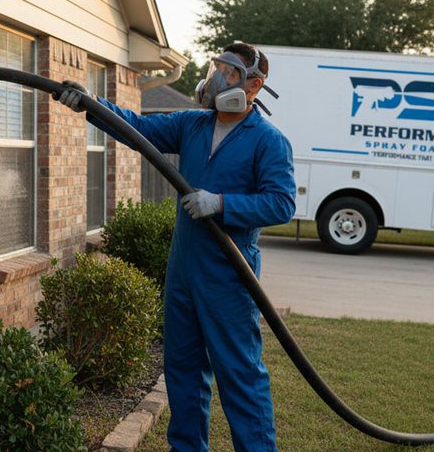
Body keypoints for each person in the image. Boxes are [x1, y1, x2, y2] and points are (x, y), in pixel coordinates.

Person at [55, 42, 296, 452]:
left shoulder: (268, 141)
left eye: (230, 72)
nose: (217, 77)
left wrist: (220, 203)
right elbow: (137, 129)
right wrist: (92, 105)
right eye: (216, 67)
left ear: (254, 86)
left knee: (239, 373)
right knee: (182, 369)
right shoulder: (193, 124)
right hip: (183, 269)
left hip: (229, 273)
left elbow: (281, 203)